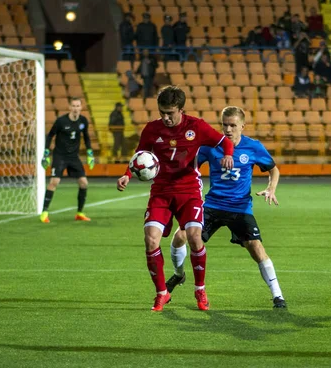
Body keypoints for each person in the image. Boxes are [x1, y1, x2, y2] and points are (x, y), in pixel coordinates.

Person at [116, 86, 235, 312]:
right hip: (161, 192)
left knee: (194, 237)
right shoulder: (152, 129)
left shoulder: (196, 127)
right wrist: (127, 174)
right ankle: (162, 293)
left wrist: (228, 155)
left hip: (189, 191)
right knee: (151, 239)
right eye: (162, 112)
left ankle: (200, 289)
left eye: (170, 112)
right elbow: (139, 155)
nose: (166, 117)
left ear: (181, 109)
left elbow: (224, 142)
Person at [166, 106, 286, 309]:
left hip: (240, 208)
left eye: (233, 125)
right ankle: (178, 275)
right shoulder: (211, 146)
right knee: (180, 236)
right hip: (212, 205)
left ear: (242, 126)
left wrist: (270, 189)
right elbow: (190, 165)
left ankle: (278, 296)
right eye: (225, 125)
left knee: (256, 248)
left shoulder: (253, 147)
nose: (228, 129)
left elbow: (274, 170)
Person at [40, 98, 94, 223]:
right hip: (60, 156)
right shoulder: (61, 121)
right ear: (69, 107)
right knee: (54, 182)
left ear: (81, 107)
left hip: (73, 157)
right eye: (73, 106)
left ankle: (79, 213)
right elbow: (50, 136)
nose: (75, 108)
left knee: (84, 183)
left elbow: (86, 137)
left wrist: (90, 153)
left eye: (78, 106)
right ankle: (44, 213)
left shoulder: (83, 121)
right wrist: (46, 153)